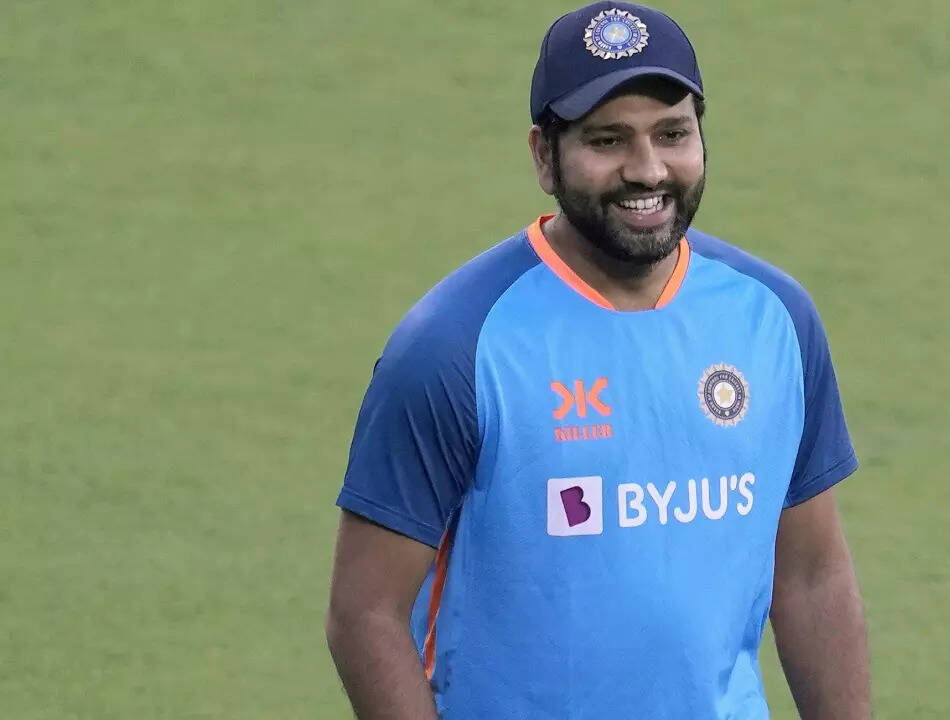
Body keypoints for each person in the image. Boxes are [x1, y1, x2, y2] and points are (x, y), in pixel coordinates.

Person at [325, 2, 871, 718]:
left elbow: (811, 578)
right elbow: (364, 613)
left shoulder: (775, 319)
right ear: (544, 156)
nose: (647, 170)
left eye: (672, 133)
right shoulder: (455, 347)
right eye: (608, 140)